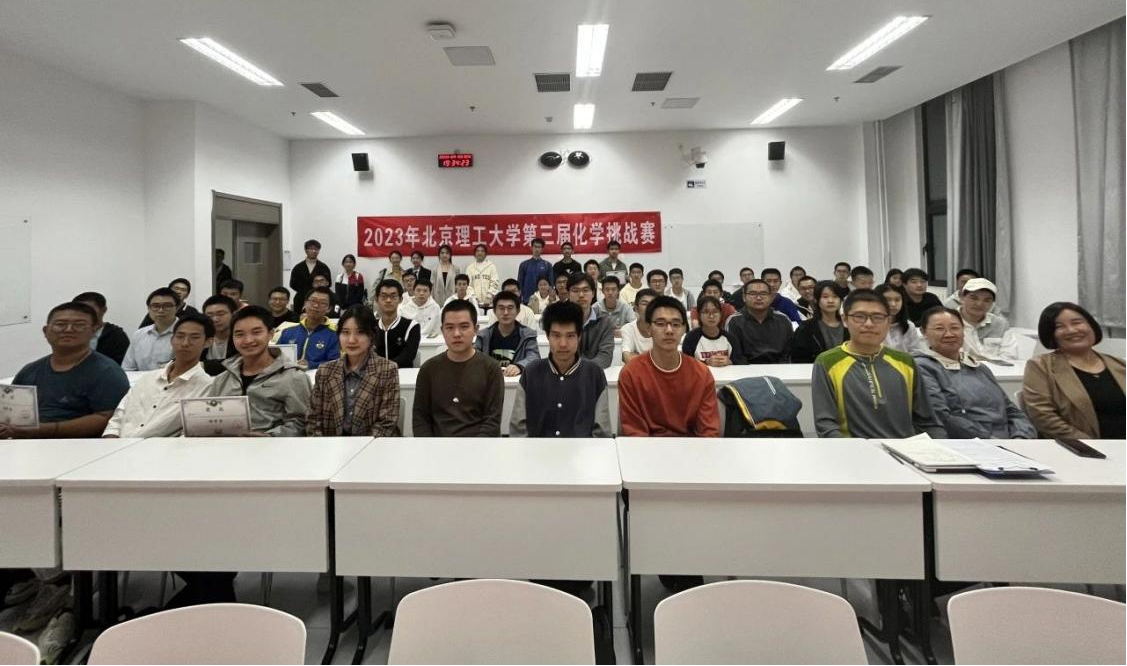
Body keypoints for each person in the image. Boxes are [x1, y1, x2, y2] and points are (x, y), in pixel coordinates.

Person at [812, 290, 947, 438]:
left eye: (878, 317)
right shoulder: (828, 362)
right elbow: (826, 425)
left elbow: (927, 421)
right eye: (859, 317)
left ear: (888, 322)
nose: (869, 324)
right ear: (845, 320)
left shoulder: (905, 361)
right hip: (853, 449)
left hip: (905, 449)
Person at [1, 302, 130, 439]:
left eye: (79, 325)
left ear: (93, 331)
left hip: (79, 446)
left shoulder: (107, 372)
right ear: (46, 331)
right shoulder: (30, 371)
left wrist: (44, 430)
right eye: (60, 324)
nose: (68, 330)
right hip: (22, 443)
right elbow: (10, 411)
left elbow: (109, 418)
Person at [915, 307, 1036, 439]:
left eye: (955, 328)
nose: (949, 334)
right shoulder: (923, 367)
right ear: (923, 332)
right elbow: (942, 416)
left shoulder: (979, 367)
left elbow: (1010, 409)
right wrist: (990, 440)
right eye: (939, 329)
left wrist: (1021, 436)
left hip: (1008, 441)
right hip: (968, 442)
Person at [619, 296, 720, 437]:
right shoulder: (631, 373)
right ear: (648, 329)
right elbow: (634, 431)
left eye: (676, 324)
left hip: (692, 446)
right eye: (660, 324)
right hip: (646, 447)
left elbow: (709, 431)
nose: (669, 330)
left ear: (684, 329)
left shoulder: (701, 373)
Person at [1022, 302, 1126, 439]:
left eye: (1077, 323)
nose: (1071, 330)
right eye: (1059, 326)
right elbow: (1043, 417)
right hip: (1080, 447)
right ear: (1051, 334)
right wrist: (1090, 445)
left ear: (1091, 326)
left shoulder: (1119, 364)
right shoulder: (1040, 366)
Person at [103, 314, 216, 438]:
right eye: (180, 336)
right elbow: (120, 414)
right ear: (172, 339)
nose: (185, 343)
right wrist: (111, 438)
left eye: (194, 337)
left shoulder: (207, 387)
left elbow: (189, 434)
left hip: (159, 448)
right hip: (116, 444)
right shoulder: (147, 378)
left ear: (208, 342)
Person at [510, 301, 612, 437]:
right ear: (547, 336)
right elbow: (518, 428)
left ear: (579, 336)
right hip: (537, 449)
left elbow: (602, 432)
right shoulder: (531, 372)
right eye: (556, 335)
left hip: (583, 449)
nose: (563, 344)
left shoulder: (594, 374)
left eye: (570, 336)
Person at [208, 306, 311, 437]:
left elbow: (301, 422)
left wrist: (269, 437)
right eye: (239, 334)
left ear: (271, 334)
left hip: (273, 447)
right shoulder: (222, 379)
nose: (248, 340)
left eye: (256, 332)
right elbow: (211, 418)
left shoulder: (294, 377)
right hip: (227, 446)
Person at [307, 305, 401, 437]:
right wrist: (323, 445)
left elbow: (387, 422)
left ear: (372, 336)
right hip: (330, 446)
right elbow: (313, 419)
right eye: (345, 332)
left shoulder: (387, 370)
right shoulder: (325, 371)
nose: (351, 340)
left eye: (360, 332)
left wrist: (361, 447)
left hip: (373, 445)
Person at [414, 300, 504, 437]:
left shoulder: (491, 369)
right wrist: (430, 446)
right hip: (437, 446)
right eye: (449, 327)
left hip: (479, 446)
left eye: (464, 327)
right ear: (442, 331)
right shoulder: (428, 369)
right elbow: (420, 419)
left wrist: (474, 448)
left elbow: (492, 421)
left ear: (476, 329)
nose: (456, 334)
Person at [725, 279, 793, 364]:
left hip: (780, 368)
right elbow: (736, 356)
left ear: (770, 297)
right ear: (744, 297)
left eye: (763, 293)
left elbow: (788, 354)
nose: (758, 298)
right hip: (745, 369)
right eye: (753, 294)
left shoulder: (783, 320)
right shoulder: (734, 321)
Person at [475, 291, 540, 377]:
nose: (505, 313)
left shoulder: (527, 335)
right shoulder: (483, 335)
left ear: (518, 311)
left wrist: (519, 366)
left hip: (516, 381)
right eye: (501, 308)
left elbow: (534, 357)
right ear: (494, 311)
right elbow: (474, 357)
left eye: (510, 308)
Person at [274, 286, 340, 370]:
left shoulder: (334, 335)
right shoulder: (288, 331)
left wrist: (311, 365)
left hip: (317, 376)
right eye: (313, 301)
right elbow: (275, 357)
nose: (316, 305)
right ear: (305, 303)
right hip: (287, 375)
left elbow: (335, 363)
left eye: (322, 303)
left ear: (329, 308)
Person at [957, 278, 1019, 362]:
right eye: (974, 298)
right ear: (961, 297)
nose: (979, 304)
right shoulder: (949, 322)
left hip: (996, 369)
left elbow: (1009, 357)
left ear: (993, 303)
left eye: (987, 300)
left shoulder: (1000, 325)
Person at [791, 281, 850, 363]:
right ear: (816, 300)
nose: (830, 300)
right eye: (825, 297)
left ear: (840, 300)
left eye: (835, 296)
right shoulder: (805, 328)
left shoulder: (850, 326)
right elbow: (798, 358)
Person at [122, 288, 180, 371]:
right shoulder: (139, 335)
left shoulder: (186, 334)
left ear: (177, 308)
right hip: (141, 379)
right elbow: (128, 368)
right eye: (155, 306)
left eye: (167, 306)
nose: (160, 310)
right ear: (148, 308)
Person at [568, 273, 615, 369]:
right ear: (568, 294)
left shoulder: (605, 321)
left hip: (594, 374)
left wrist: (584, 370)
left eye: (585, 290)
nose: (581, 295)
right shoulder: (560, 320)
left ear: (593, 293)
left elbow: (605, 356)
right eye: (575, 290)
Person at [372, 279, 421, 369]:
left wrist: (384, 368)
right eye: (384, 296)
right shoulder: (370, 327)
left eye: (393, 296)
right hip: (375, 374)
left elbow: (407, 357)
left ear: (400, 299)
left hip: (402, 374)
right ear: (376, 299)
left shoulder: (412, 326)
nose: (388, 300)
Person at [682, 295, 744, 366]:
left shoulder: (730, 338)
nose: (711, 316)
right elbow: (686, 364)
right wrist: (706, 363)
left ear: (720, 314)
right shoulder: (691, 338)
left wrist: (730, 361)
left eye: (715, 312)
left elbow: (741, 360)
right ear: (699, 315)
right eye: (706, 312)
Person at [73, 292, 130, 365]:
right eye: (78, 310)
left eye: (89, 310)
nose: (83, 314)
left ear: (103, 310)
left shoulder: (116, 336)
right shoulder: (69, 333)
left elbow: (120, 365)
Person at [875, 284, 927, 354]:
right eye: (887, 300)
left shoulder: (909, 325)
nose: (893, 304)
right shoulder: (870, 325)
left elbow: (916, 351)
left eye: (897, 300)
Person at [289, 239, 332, 314]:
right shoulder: (298, 267)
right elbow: (292, 284)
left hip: (319, 300)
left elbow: (329, 283)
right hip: (301, 299)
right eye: (311, 249)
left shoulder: (324, 267)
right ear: (306, 250)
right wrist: (303, 290)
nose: (313, 251)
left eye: (316, 249)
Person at [200, 294, 240, 375]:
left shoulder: (241, 338)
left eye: (221, 314)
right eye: (209, 315)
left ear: (234, 314)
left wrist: (203, 365)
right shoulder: (202, 337)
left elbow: (238, 364)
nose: (215, 319)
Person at [620, 289, 658, 363]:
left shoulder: (664, 329)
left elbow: (666, 359)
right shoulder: (628, 329)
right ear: (636, 308)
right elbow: (627, 357)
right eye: (645, 304)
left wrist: (637, 356)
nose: (649, 307)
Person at [517, 238, 553, 304]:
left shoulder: (548, 265)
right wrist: (519, 299)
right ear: (531, 248)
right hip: (527, 299)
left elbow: (551, 284)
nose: (537, 249)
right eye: (535, 247)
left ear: (542, 249)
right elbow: (520, 284)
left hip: (544, 301)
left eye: (539, 247)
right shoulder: (524, 264)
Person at [466, 243, 500, 308]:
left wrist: (489, 297)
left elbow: (495, 283)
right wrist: (474, 298)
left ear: (485, 253)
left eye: (482, 251)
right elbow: (468, 285)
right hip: (474, 303)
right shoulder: (470, 268)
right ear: (475, 253)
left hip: (490, 302)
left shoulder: (491, 266)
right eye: (478, 251)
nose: (480, 253)